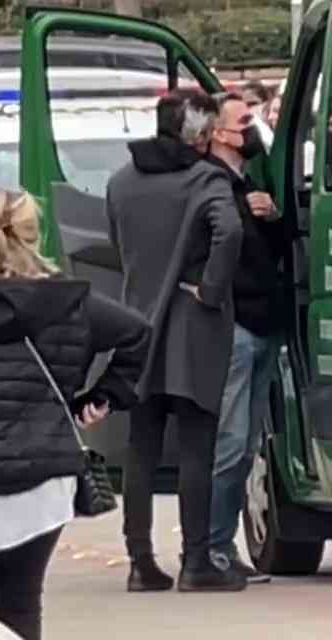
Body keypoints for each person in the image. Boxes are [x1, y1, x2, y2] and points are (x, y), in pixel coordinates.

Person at [0, 189, 150, 640]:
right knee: (21, 604)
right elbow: (138, 332)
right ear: (35, 239)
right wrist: (102, 397)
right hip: (42, 478)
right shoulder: (73, 303)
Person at [107, 88, 246, 593]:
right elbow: (229, 232)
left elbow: (117, 245)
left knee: (141, 447)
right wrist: (210, 289)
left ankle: (140, 561)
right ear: (201, 135)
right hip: (192, 327)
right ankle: (196, 561)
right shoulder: (204, 179)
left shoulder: (121, 182)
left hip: (136, 325)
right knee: (195, 447)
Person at [204, 92, 287, 582]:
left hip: (262, 323)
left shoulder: (248, 181)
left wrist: (271, 216)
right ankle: (213, 547)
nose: (252, 128)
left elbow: (269, 249)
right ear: (218, 134)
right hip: (235, 327)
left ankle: (222, 546)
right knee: (230, 443)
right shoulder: (211, 186)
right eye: (243, 121)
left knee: (248, 443)